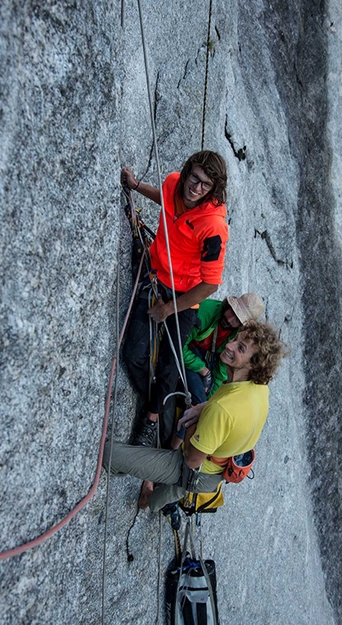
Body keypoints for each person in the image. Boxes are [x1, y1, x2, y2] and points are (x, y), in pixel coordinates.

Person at [103, 319, 287, 512]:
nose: (229, 345)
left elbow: (191, 460)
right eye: (235, 339)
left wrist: (197, 422)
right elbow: (230, 413)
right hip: (215, 469)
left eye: (240, 348)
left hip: (195, 469)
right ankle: (151, 502)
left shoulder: (223, 411)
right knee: (172, 491)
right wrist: (203, 408)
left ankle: (149, 497)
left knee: (109, 455)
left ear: (253, 366)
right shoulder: (259, 388)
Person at [121, 151, 229, 447]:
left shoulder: (213, 228)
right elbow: (165, 197)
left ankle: (152, 417)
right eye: (195, 177)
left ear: (213, 189)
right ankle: (157, 394)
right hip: (156, 274)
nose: (196, 187)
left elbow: (210, 284)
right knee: (133, 354)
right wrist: (135, 185)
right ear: (187, 171)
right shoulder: (173, 183)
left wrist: (169, 309)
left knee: (170, 362)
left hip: (185, 295)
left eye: (205, 185)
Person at [183, 292, 264, 405]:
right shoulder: (206, 312)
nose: (229, 319)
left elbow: (221, 371)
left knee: (205, 400)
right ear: (229, 305)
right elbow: (179, 345)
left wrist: (210, 401)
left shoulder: (235, 335)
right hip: (187, 354)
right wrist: (202, 369)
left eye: (237, 319)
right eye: (232, 311)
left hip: (203, 359)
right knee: (198, 400)